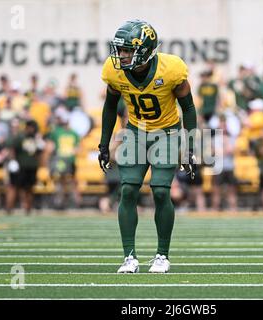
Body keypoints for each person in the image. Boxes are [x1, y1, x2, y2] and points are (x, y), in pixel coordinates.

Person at [98, 20, 197, 273]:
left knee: (162, 192)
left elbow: (188, 107)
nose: (121, 55)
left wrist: (191, 145)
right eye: (120, 50)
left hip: (167, 132)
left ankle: (162, 255)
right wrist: (104, 143)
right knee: (128, 191)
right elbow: (110, 106)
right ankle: (129, 257)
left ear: (145, 49)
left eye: (127, 50)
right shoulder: (114, 70)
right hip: (135, 132)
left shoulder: (171, 69)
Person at [5, 120, 45, 214]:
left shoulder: (36, 138)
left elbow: (40, 151)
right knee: (14, 187)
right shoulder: (20, 137)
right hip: (20, 166)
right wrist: (13, 161)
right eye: (32, 128)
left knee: (29, 188)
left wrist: (40, 141)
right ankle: (9, 208)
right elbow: (12, 149)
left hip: (31, 167)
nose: (33, 130)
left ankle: (28, 210)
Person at [47, 108, 81, 209]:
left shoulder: (73, 133)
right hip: (61, 160)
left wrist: (73, 151)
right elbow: (51, 146)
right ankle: (60, 201)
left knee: (72, 181)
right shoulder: (57, 132)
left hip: (70, 160)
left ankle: (76, 202)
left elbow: (78, 147)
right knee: (61, 180)